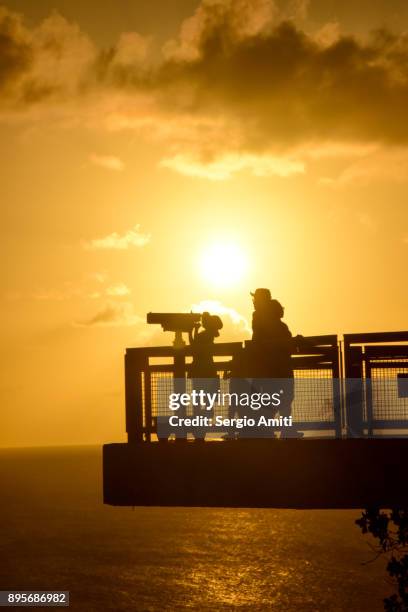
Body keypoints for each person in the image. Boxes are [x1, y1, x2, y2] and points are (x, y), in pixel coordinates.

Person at [250, 289, 303, 438]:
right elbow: (288, 347)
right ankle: (283, 429)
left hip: (268, 367)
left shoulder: (258, 317)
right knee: (284, 399)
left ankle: (268, 429)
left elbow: (258, 341)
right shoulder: (280, 326)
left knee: (271, 399)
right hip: (281, 367)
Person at [189, 312, 223, 440]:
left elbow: (193, 346)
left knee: (197, 403)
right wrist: (195, 331)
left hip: (199, 371)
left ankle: (198, 429)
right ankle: (200, 427)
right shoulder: (209, 335)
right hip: (209, 370)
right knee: (209, 405)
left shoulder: (204, 335)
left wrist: (191, 331)